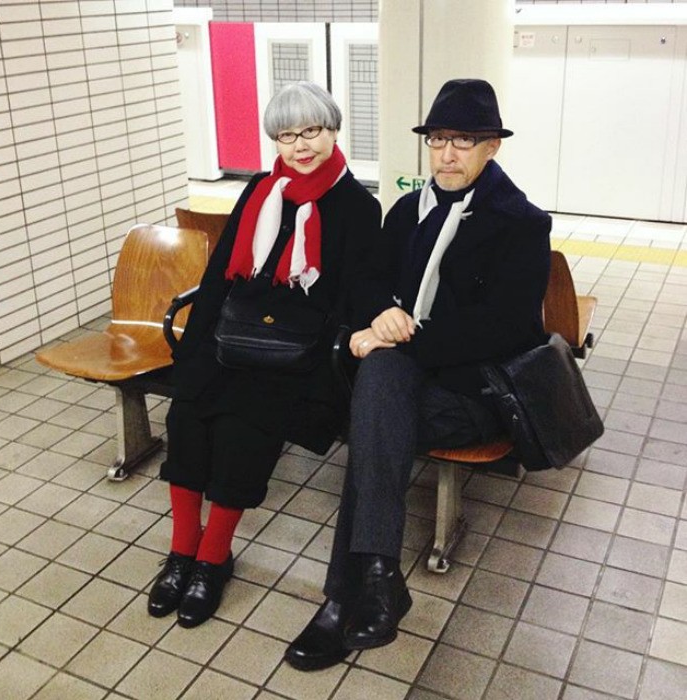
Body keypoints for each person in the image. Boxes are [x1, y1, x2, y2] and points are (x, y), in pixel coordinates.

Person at [285, 78, 552, 670]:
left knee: (376, 407)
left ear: (492, 147)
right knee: (381, 400)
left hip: (474, 391)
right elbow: (368, 279)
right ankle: (377, 577)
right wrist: (380, 313)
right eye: (437, 140)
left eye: (464, 140)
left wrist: (397, 338)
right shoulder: (409, 210)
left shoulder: (521, 222)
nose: (447, 154)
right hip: (405, 380)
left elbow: (509, 329)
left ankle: (344, 597)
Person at [148, 82, 383, 628]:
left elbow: (353, 294)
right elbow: (220, 274)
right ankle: (182, 551)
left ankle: (213, 559)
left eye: (312, 131)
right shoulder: (261, 187)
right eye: (286, 135)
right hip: (231, 336)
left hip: (294, 352)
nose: (301, 146)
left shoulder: (357, 206)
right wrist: (194, 350)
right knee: (186, 418)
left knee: (241, 433)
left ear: (333, 130)